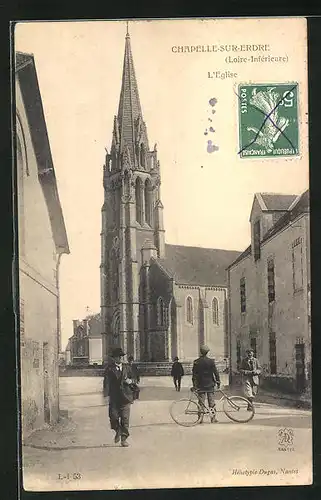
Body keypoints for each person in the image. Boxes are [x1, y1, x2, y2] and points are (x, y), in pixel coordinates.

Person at [104, 346, 136, 447]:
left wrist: (131, 381)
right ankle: (117, 430)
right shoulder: (109, 369)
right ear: (114, 358)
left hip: (126, 397)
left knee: (125, 419)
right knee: (113, 417)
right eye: (118, 357)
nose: (121, 358)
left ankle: (124, 438)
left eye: (122, 356)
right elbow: (106, 383)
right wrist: (106, 395)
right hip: (114, 398)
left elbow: (135, 379)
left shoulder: (128, 368)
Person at [192, 345, 220, 423]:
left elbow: (194, 375)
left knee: (201, 403)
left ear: (201, 352)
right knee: (211, 402)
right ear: (207, 352)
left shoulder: (196, 361)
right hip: (210, 384)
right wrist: (218, 382)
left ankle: (200, 419)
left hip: (200, 385)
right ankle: (213, 418)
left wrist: (194, 385)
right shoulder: (211, 361)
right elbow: (216, 373)